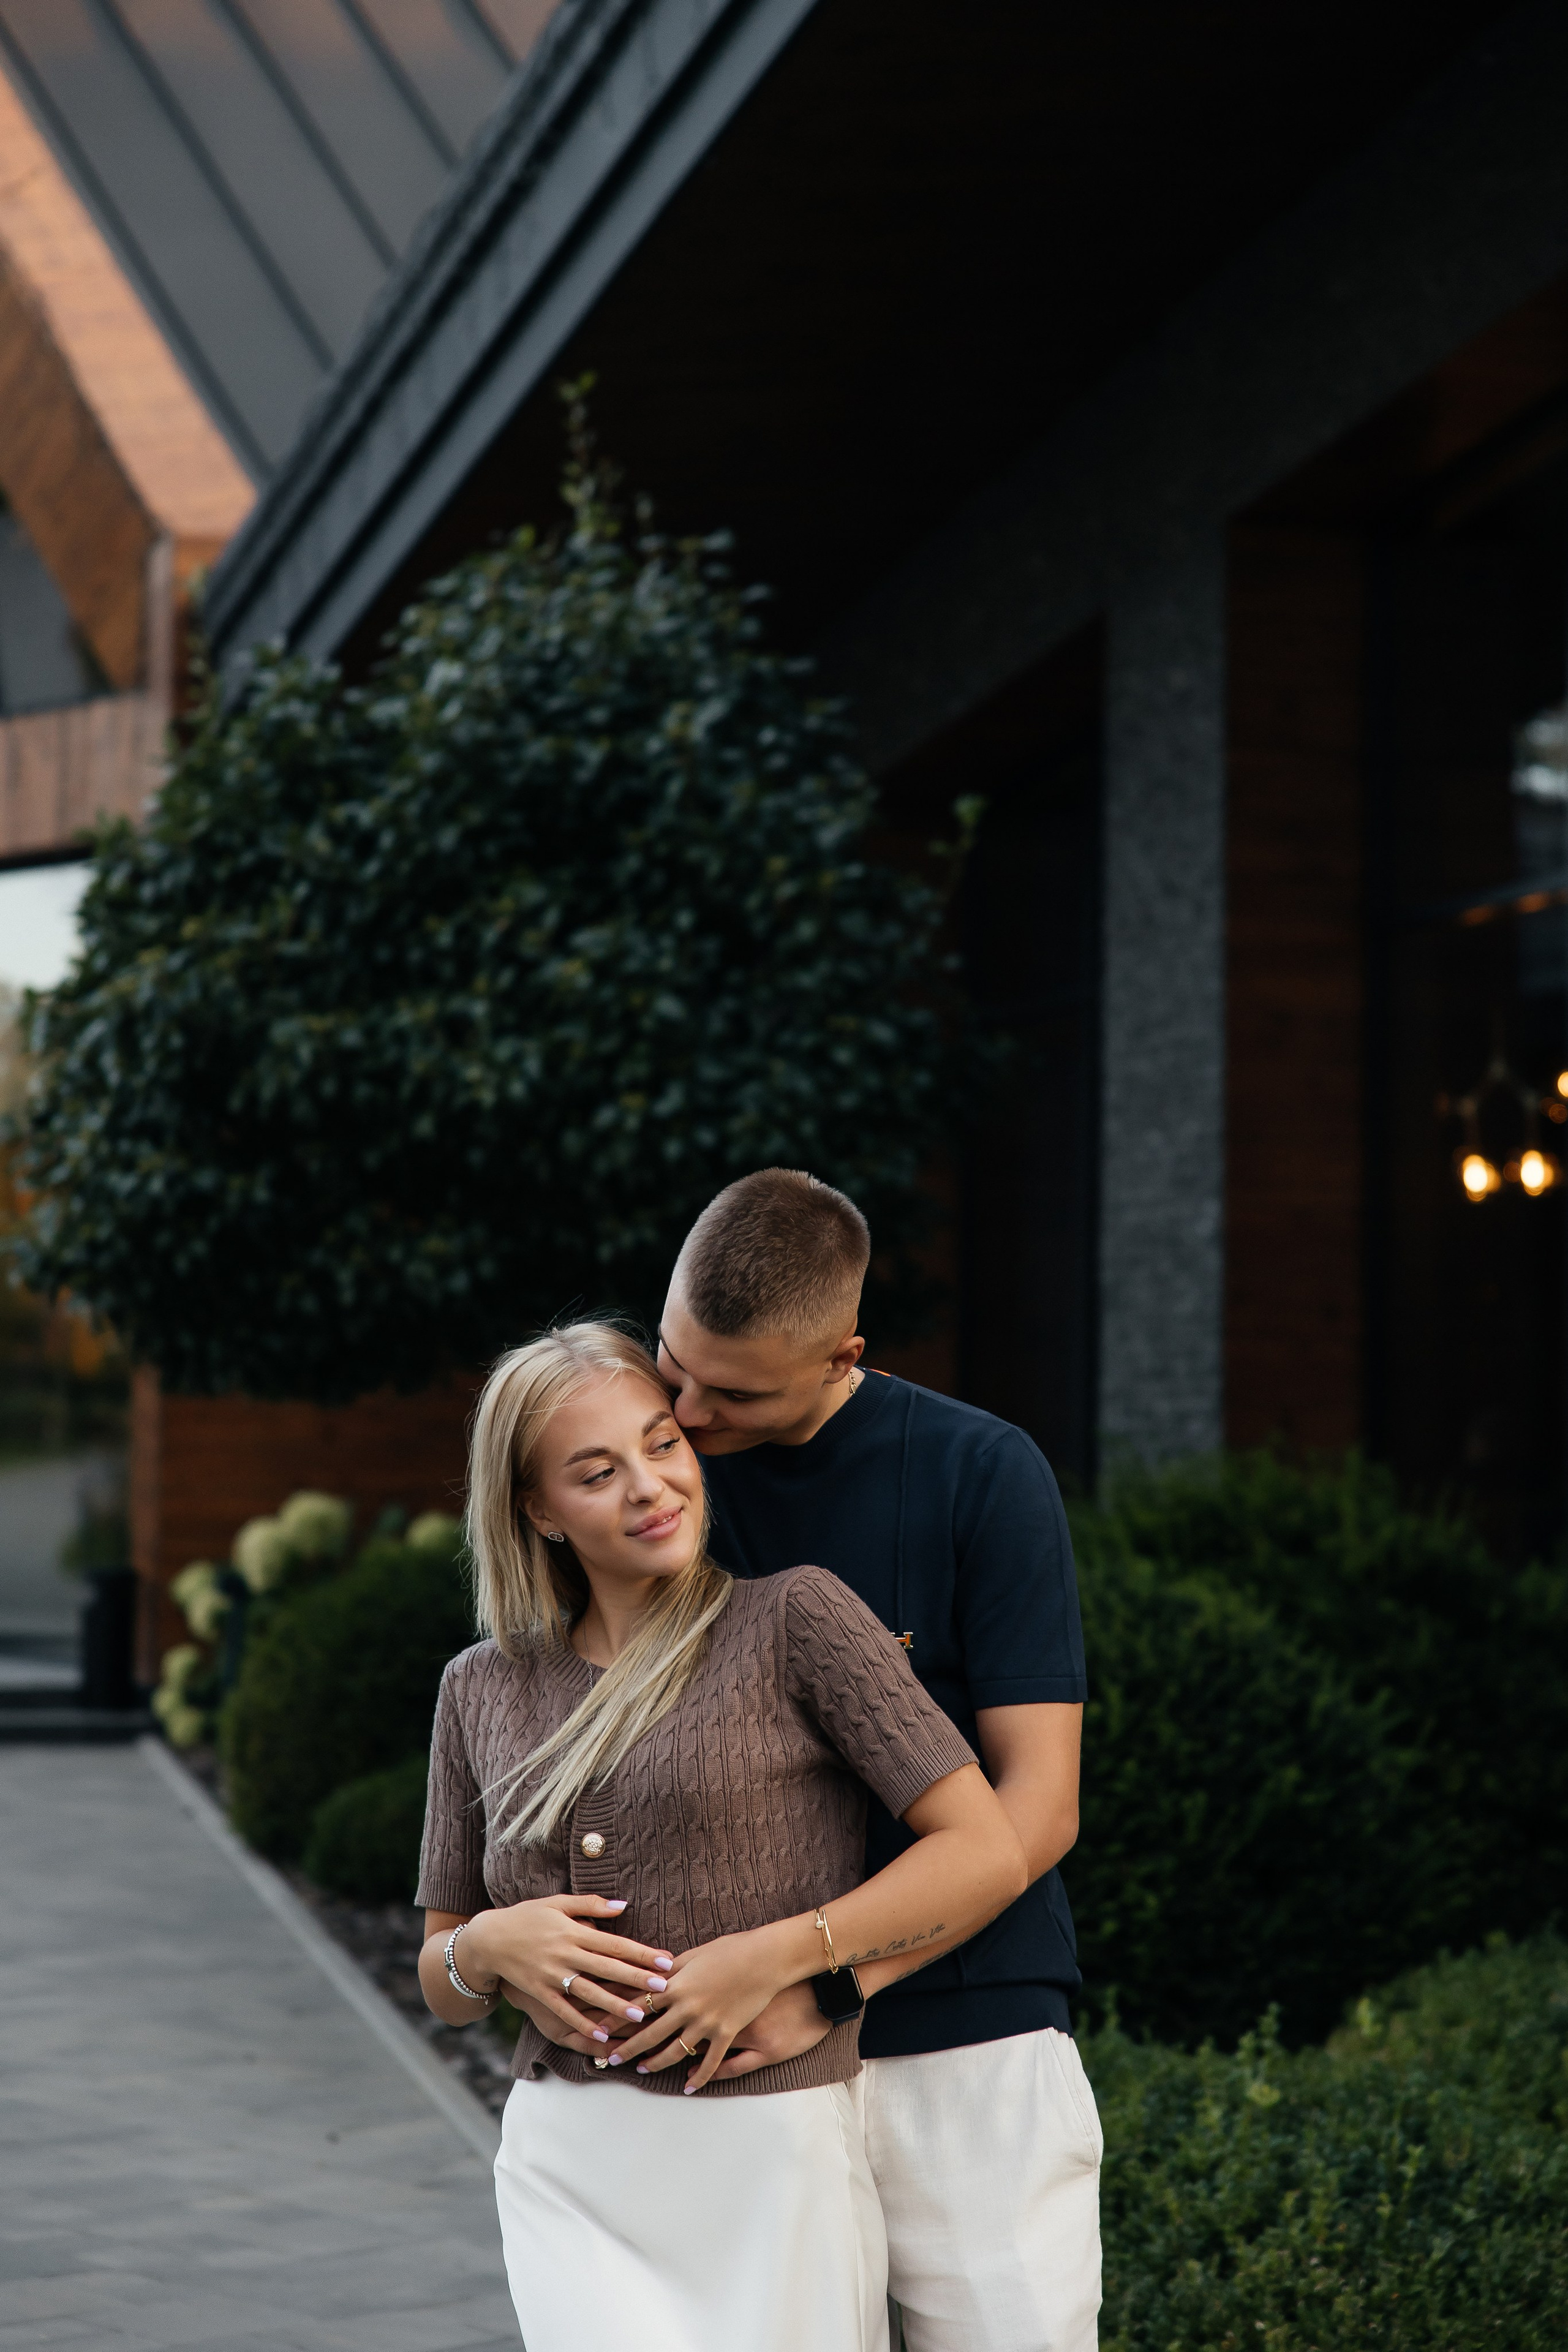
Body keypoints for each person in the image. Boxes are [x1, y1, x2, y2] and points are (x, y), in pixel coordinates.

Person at [415, 1321, 1027, 2352]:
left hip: (770, 2154)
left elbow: (986, 1851)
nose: (652, 1487)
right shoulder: (479, 1687)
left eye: (663, 1444)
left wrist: (788, 1956)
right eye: (598, 1472)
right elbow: (440, 1971)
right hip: (571, 2163)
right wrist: (489, 1948)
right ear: (538, 1511)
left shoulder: (798, 1621)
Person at [656, 1167, 1101, 2352]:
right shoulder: (657, 1478)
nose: (690, 1418)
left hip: (969, 2034)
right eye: (674, 1364)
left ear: (844, 1353)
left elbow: (1039, 1812)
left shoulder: (980, 1473)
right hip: (739, 2060)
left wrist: (832, 1984)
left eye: (734, 1395)